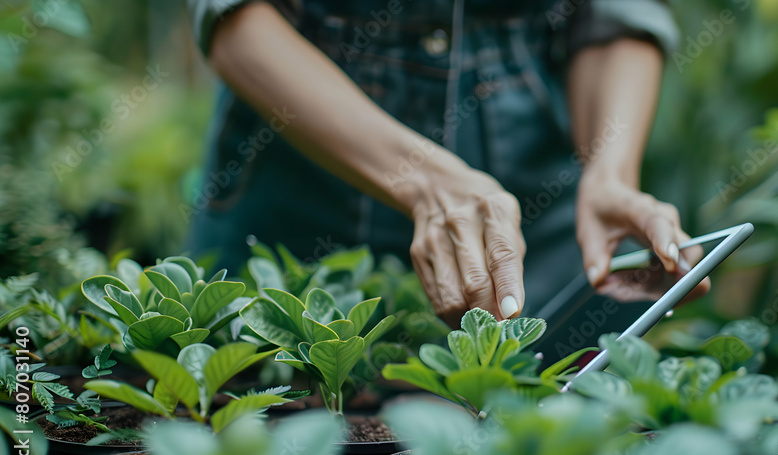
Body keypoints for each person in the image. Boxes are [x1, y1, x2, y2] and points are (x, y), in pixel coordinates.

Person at [185, 0, 708, 327]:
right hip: (298, 189)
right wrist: (421, 177)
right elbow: (234, 16)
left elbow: (616, 14)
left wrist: (608, 173)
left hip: (534, 213)